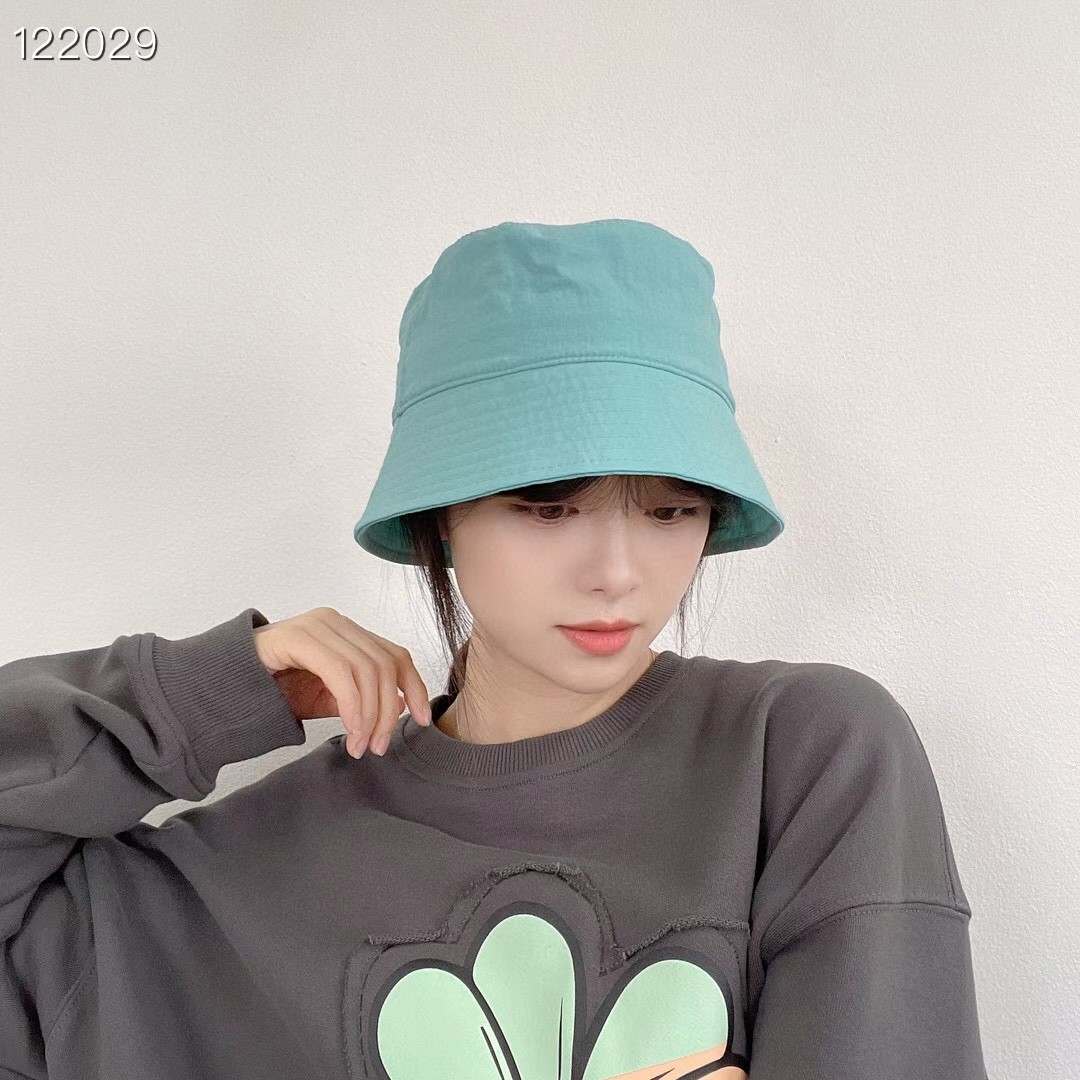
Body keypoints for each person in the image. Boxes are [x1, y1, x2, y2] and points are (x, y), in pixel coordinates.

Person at [0, 219, 988, 1078]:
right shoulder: (240, 874)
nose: (618, 572)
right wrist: (203, 693)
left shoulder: (803, 755)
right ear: (438, 517)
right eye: (548, 507)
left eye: (670, 509)